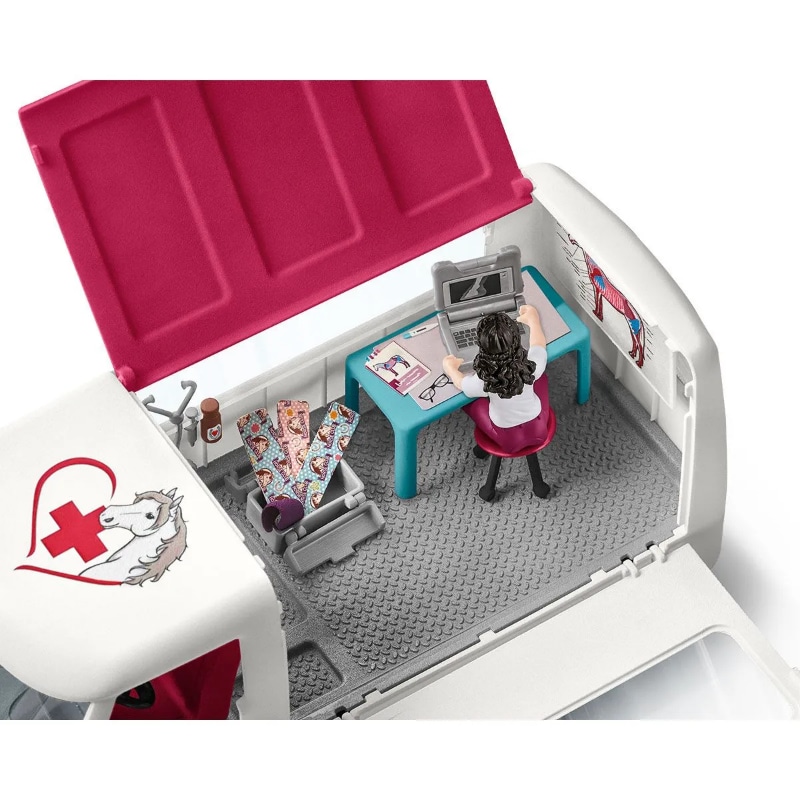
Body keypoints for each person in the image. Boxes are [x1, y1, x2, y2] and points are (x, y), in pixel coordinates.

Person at [442, 305, 550, 453]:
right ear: (517, 339)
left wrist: (450, 368)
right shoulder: (531, 366)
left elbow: (461, 383)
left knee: (470, 402)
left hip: (507, 439)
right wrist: (533, 320)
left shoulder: (484, 380)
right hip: (539, 428)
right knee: (541, 378)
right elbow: (538, 344)